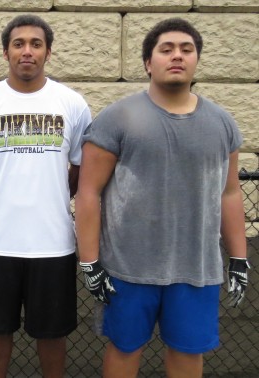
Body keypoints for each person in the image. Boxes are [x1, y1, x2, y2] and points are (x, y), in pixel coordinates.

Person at [75, 17, 250, 378]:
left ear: (197, 60)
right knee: (124, 349)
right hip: (128, 267)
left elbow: (230, 193)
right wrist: (89, 262)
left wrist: (238, 257)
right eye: (166, 49)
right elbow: (88, 192)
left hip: (196, 268)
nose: (177, 56)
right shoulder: (117, 118)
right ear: (147, 63)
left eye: (187, 50)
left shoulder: (222, 123)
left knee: (187, 354)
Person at [0, 14, 92, 377]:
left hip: (53, 243)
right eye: (19, 44)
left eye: (36, 44)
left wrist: (53, 197)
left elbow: (81, 167)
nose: (27, 51)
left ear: (48, 51)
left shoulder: (72, 104)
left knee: (52, 334)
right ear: (6, 52)